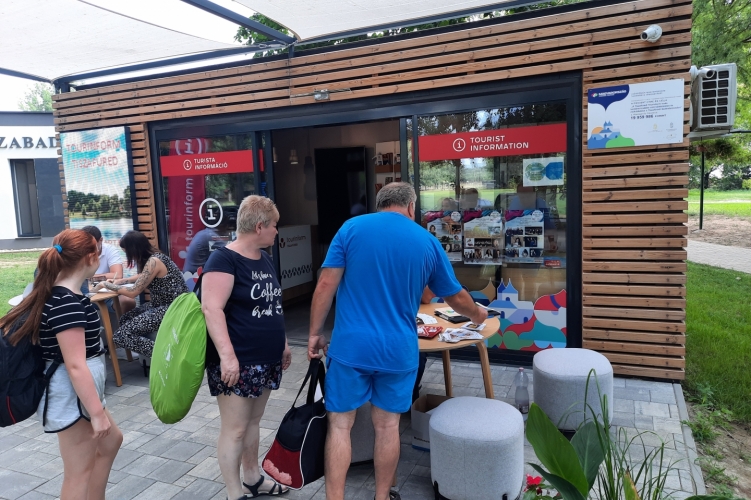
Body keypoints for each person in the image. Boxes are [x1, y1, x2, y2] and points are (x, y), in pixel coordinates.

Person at [307, 183, 487, 500]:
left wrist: (314, 333)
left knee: (340, 426)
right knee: (388, 427)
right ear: (411, 206)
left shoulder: (350, 229)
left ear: (380, 204)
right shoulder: (426, 241)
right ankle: (381, 497)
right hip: (398, 351)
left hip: (351, 348)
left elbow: (325, 285)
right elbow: (455, 297)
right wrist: (478, 315)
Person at [0, 229, 123, 498]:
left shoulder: (63, 296)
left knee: (112, 442)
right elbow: (75, 365)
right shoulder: (66, 303)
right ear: (90, 257)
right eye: (98, 251)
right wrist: (98, 415)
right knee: (78, 474)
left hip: (78, 395)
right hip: (71, 397)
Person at [201, 195, 292, 500]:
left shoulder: (264, 259)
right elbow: (211, 309)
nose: (277, 231)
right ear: (259, 226)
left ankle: (253, 479)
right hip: (237, 362)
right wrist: (227, 357)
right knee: (235, 429)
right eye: (274, 226)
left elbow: (272, 305)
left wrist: (284, 344)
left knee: (253, 422)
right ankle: (233, 492)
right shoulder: (223, 260)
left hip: (266, 359)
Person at [100, 231, 188, 357]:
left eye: (126, 252)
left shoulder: (154, 261)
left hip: (171, 308)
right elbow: (144, 276)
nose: (127, 256)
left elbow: (133, 292)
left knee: (121, 336)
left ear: (133, 249)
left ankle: (166, 356)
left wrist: (106, 285)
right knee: (125, 318)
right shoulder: (156, 257)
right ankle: (148, 350)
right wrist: (123, 280)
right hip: (165, 305)